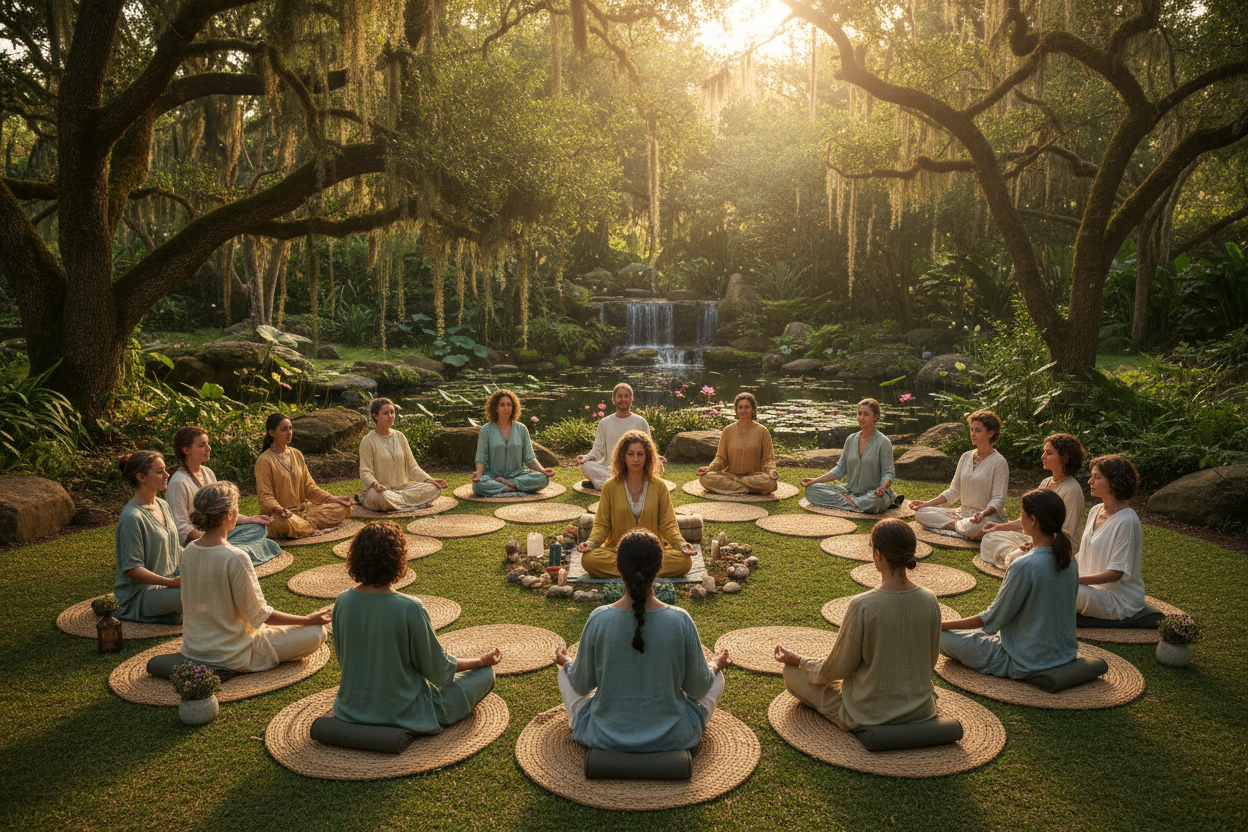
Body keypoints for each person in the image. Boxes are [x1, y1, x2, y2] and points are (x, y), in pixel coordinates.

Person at [554, 528, 731, 752]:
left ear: (618, 566)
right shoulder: (680, 620)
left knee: (564, 674)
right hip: (673, 736)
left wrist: (568, 663)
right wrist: (715, 664)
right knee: (717, 678)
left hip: (605, 735)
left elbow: (580, 685)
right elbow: (697, 688)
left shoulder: (599, 619)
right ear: (659, 568)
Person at [332, 522, 501, 733]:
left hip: (351, 708)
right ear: (398, 559)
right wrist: (481, 661)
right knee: (484, 675)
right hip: (404, 713)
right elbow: (438, 671)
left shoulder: (342, 601)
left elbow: (344, 658)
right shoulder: (409, 607)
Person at [773, 519, 940, 729]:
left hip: (869, 713)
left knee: (792, 673)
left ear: (877, 554)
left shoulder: (863, 605)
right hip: (921, 708)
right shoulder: (930, 599)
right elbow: (931, 660)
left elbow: (838, 668)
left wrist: (799, 660)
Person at [180, 482, 330, 671]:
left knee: (287, 629)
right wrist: (308, 620)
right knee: (316, 632)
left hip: (194, 648)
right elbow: (261, 615)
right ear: (229, 514)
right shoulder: (235, 557)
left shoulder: (188, 551)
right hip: (231, 652)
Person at [939, 489, 1078, 679]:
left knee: (941, 637)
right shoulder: (1069, 561)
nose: (1020, 520)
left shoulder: (1024, 565)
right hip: (1063, 654)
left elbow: (991, 620)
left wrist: (940, 625)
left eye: (1021, 515)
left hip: (1025, 660)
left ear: (1033, 520)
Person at [578, 431, 695, 579]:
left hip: (652, 552)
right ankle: (646, 572)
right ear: (623, 456)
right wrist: (591, 543)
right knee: (589, 560)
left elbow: (668, 524)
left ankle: (629, 571)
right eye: (630, 454)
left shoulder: (659, 486)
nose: (635, 459)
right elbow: (602, 524)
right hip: (619, 552)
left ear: (648, 457)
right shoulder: (610, 486)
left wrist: (681, 544)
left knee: (684, 562)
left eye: (640, 454)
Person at [166, 426, 282, 567]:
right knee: (265, 545)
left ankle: (228, 553)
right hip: (198, 543)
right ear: (186, 450)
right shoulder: (178, 482)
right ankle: (228, 553)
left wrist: (251, 519)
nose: (208, 448)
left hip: (219, 534)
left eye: (207, 444)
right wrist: (212, 540)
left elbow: (223, 511)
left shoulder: (208, 473)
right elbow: (181, 527)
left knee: (257, 529)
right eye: (202, 445)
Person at [981, 433, 1086, 568]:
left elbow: (1067, 533)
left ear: (1064, 458)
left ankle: (1017, 558)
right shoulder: (1046, 483)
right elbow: (1026, 520)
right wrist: (999, 527)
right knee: (989, 539)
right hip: (1036, 538)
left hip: (1055, 547)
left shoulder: (1072, 490)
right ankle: (1017, 558)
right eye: (1044, 452)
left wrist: (1039, 545)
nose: (1043, 457)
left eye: (1049, 453)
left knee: (1019, 555)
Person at [910, 410, 1008, 540]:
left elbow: (998, 500)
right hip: (961, 514)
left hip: (986, 517)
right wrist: (926, 504)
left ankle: (961, 527)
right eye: (971, 429)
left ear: (991, 433)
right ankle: (958, 526)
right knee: (921, 513)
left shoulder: (999, 462)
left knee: (978, 526)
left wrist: (982, 514)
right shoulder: (965, 456)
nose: (972, 434)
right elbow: (954, 491)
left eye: (978, 431)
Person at [254, 413, 353, 539]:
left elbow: (310, 487)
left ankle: (305, 527)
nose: (289, 432)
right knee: (283, 524)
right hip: (281, 515)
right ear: (272, 433)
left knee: (342, 508)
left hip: (305, 511)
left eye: (290, 428)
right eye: (284, 430)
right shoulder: (264, 461)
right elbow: (265, 496)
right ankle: (306, 527)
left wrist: (333, 499)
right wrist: (280, 510)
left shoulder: (297, 454)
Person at [114, 451, 183, 624]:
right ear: (141, 477)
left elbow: (173, 548)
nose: (167, 475)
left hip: (170, 583)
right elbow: (132, 569)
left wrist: (203, 553)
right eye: (160, 471)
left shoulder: (163, 505)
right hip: (142, 594)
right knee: (197, 591)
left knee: (214, 575)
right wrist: (171, 582)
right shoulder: (132, 517)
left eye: (165, 470)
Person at [1075, 455, 1145, 621]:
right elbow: (1084, 554)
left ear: (1115, 482)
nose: (1089, 481)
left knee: (1062, 590)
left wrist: (1075, 581)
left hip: (1117, 598)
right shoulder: (1095, 510)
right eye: (1092, 476)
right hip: (1087, 587)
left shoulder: (1127, 521)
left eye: (1097, 477)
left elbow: (1115, 573)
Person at [801, 398, 898, 514]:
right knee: (812, 490)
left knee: (876, 501)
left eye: (866, 415)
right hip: (849, 491)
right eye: (859, 414)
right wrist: (814, 481)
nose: (861, 418)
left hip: (874, 494)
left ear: (875, 417)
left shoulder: (884, 442)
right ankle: (855, 503)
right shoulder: (851, 439)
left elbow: (888, 472)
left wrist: (882, 487)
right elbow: (840, 470)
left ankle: (853, 502)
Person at [358, 398, 448, 511]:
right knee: (380, 497)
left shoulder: (400, 436)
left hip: (403, 489)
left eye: (392, 412)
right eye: (386, 413)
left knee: (434, 489)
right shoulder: (368, 441)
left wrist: (430, 480)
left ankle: (399, 503)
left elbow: (413, 468)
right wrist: (375, 485)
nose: (390, 416)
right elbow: (365, 471)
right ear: (375, 416)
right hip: (380, 491)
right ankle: (409, 504)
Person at [577, 383, 660, 491]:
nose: (623, 399)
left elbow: (648, 449)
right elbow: (598, 450)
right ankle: (626, 483)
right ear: (613, 399)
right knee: (586, 466)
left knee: (659, 466)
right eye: (619, 396)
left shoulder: (640, 422)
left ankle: (607, 484)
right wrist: (586, 458)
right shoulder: (604, 423)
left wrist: (656, 457)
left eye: (626, 396)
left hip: (635, 468)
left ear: (631, 398)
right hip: (610, 469)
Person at [471, 389, 555, 497]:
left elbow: (529, 458)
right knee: (478, 486)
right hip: (493, 476)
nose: (506, 408)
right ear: (495, 408)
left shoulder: (522, 429)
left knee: (542, 478)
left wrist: (543, 470)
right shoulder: (485, 430)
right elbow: (481, 458)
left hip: (518, 475)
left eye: (509, 405)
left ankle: (508, 485)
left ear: (513, 407)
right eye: (502, 405)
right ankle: (515, 487)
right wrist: (478, 474)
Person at [697, 392, 779, 495]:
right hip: (730, 475)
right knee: (705, 478)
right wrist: (708, 469)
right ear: (736, 410)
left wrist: (771, 471)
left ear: (753, 409)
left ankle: (734, 487)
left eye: (747, 407)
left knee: (770, 482)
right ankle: (745, 489)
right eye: (740, 407)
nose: (743, 410)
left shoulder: (763, 431)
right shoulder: (727, 431)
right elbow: (721, 458)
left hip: (754, 477)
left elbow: (768, 459)